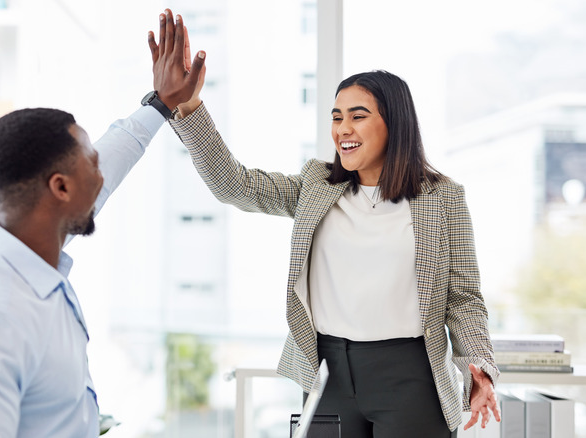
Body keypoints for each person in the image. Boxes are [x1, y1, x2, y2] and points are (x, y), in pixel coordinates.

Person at [167, 68, 501, 436]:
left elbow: (464, 297)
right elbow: (235, 184)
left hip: (412, 376)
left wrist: (479, 366)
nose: (343, 129)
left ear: (396, 124)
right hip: (328, 374)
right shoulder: (316, 185)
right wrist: (190, 104)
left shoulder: (443, 198)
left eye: (358, 116)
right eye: (337, 117)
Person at [0, 10, 204, 437]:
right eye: (90, 165)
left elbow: (110, 159)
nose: (101, 177)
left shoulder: (19, 256)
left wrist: (162, 104)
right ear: (60, 188)